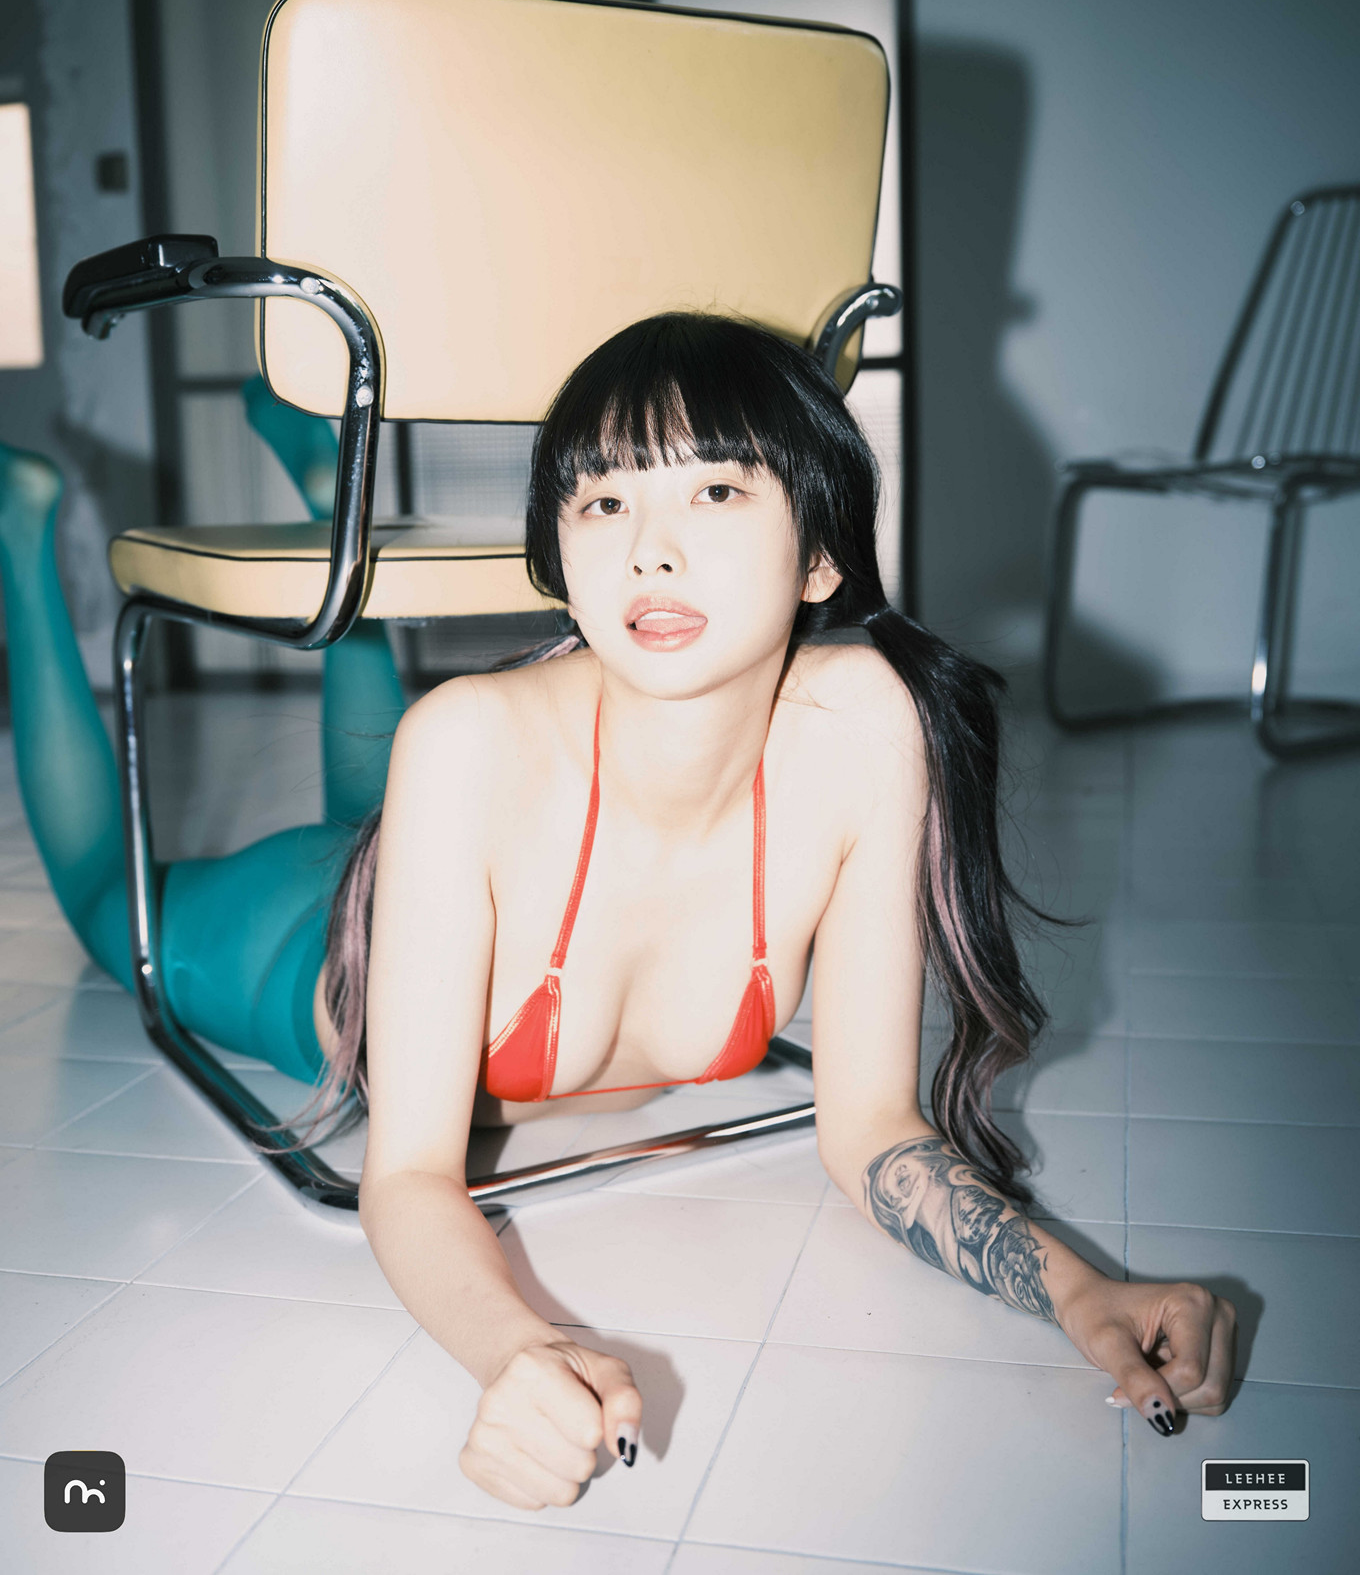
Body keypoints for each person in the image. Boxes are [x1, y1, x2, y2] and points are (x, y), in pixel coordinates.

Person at [0, 311, 1236, 1515]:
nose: (650, 550)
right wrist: (515, 1349)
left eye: (717, 490)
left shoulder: (862, 727)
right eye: (602, 501)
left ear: (821, 555)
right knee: (114, 911)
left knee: (381, 799)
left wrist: (1078, 1291)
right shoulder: (471, 742)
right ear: (560, 550)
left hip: (449, 860)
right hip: (305, 944)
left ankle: (335, 490)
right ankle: (19, 529)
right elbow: (411, 1174)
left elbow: (869, 1128)